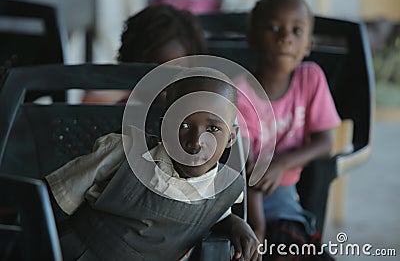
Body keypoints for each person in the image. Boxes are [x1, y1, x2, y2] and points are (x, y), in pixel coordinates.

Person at [46, 67, 261, 261]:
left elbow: (215, 214)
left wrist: (237, 225)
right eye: (183, 124)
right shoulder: (125, 153)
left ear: (231, 137)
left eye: (213, 129)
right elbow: (54, 199)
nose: (196, 141)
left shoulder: (223, 188)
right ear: (164, 128)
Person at [237, 0, 341, 260]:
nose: (285, 38)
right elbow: (246, 170)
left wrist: (282, 163)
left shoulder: (311, 78)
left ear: (308, 45)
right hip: (242, 198)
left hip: (284, 195)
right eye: (273, 28)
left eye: (296, 30)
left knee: (291, 243)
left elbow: (326, 142)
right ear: (252, 38)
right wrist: (256, 229)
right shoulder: (240, 93)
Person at [82, 4, 206, 104]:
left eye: (177, 71)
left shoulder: (198, 116)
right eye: (152, 70)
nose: (165, 84)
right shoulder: (118, 114)